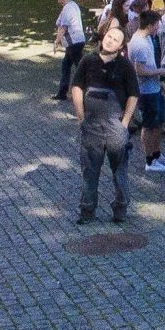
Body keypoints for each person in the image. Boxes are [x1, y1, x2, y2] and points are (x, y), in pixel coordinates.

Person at [67, 17, 137, 224]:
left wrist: (124, 123)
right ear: (103, 37)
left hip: (116, 126)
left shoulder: (125, 66)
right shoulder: (88, 60)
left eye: (115, 40)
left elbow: (134, 95)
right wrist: (81, 116)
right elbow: (77, 87)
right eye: (109, 36)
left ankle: (120, 210)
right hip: (91, 125)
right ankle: (87, 212)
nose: (110, 41)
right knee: (90, 172)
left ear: (121, 46)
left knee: (119, 172)